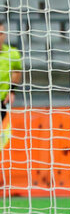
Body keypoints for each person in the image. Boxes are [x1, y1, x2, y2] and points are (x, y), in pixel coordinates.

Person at [0, 21, 23, 150]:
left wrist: (12, 91)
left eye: (2, 33)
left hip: (3, 100)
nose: (0, 36)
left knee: (4, 136)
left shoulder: (12, 53)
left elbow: (17, 71)